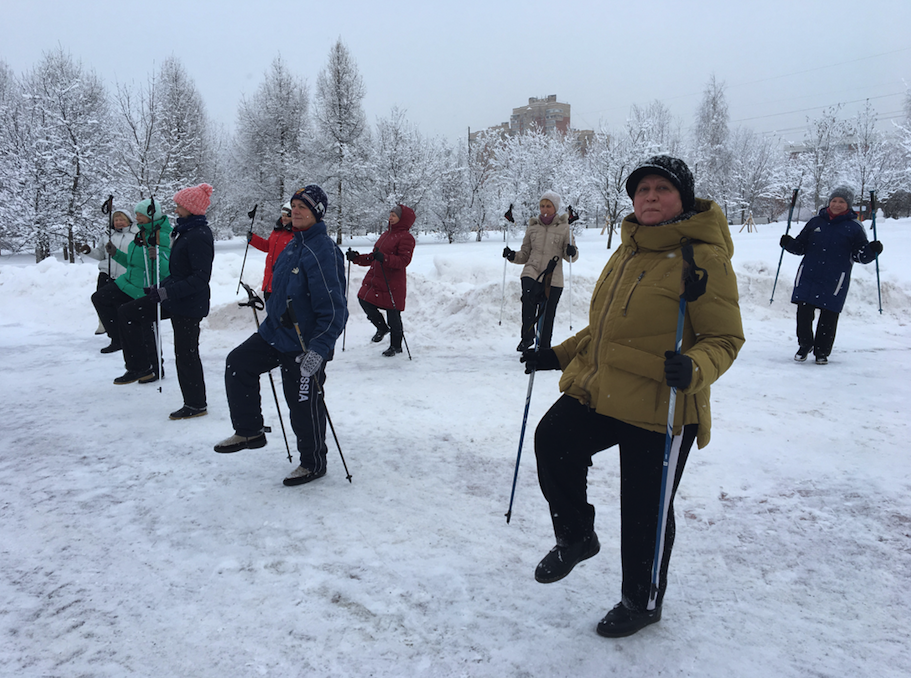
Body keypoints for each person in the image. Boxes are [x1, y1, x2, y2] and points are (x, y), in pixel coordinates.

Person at [521, 156, 744, 637]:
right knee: (554, 438)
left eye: (662, 189)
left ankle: (641, 602)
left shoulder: (701, 256)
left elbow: (726, 339)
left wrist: (696, 366)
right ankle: (577, 536)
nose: (650, 197)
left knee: (645, 509)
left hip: (663, 404)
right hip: (605, 390)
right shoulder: (629, 249)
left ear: (682, 198)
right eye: (642, 189)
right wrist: (557, 355)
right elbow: (605, 329)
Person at [215, 185, 348, 486]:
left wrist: (318, 350)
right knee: (238, 363)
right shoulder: (291, 245)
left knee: (302, 403)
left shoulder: (323, 251)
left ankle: (313, 463)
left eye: (304, 207)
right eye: (294, 205)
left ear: (317, 213)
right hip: (275, 334)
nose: (297, 211)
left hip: (305, 343)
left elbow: (334, 310)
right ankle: (250, 430)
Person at [780, 186, 883, 365]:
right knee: (803, 312)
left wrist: (871, 251)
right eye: (834, 200)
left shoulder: (854, 227)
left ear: (848, 205)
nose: (836, 204)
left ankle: (822, 351)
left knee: (829, 316)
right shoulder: (815, 222)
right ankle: (805, 345)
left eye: (841, 201)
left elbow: (860, 255)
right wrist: (789, 244)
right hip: (809, 275)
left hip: (835, 279)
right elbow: (801, 247)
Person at [144, 183, 215, 420]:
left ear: (191, 208)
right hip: (181, 301)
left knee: (186, 353)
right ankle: (193, 400)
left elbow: (199, 278)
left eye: (179, 205)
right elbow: (179, 271)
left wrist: (166, 293)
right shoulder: (184, 231)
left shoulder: (199, 235)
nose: (176, 208)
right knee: (183, 352)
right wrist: (161, 287)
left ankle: (196, 403)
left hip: (190, 304)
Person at [92, 198, 171, 382]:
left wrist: (157, 255)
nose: (137, 218)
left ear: (152, 215)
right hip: (127, 283)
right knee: (100, 298)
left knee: (145, 328)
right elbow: (132, 262)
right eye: (136, 214)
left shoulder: (162, 235)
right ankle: (120, 341)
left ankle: (151, 368)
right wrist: (115, 254)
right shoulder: (140, 234)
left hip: (145, 287)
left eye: (140, 215)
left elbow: (166, 269)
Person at [503, 191, 578, 352]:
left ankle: (544, 347)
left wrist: (571, 251)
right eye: (542, 205)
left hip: (553, 275)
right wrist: (512, 255)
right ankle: (527, 337)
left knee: (548, 312)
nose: (544, 209)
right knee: (528, 299)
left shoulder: (565, 228)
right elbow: (524, 254)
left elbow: (571, 256)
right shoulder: (533, 227)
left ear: (555, 208)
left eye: (548, 206)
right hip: (532, 270)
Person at [346, 204, 416, 357]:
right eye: (390, 214)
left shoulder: (406, 238)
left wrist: (384, 258)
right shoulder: (385, 235)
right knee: (363, 299)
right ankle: (382, 328)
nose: (390, 218)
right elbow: (373, 256)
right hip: (376, 278)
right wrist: (356, 258)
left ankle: (396, 346)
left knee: (394, 315)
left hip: (393, 282)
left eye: (394, 216)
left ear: (402, 219)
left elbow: (403, 261)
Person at [79, 208, 137, 351]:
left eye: (122, 219)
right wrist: (89, 251)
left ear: (129, 220)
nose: (118, 222)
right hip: (107, 274)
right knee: (103, 305)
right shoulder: (107, 235)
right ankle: (115, 338)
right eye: (116, 220)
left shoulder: (136, 235)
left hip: (125, 276)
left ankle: (127, 339)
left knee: (122, 309)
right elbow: (101, 255)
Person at [248, 201, 294, 301]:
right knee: (271, 313)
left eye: (288, 216)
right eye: (283, 215)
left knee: (282, 314)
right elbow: (268, 246)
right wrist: (253, 239)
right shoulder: (277, 231)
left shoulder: (295, 234)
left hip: (283, 284)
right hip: (269, 282)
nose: (284, 218)